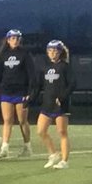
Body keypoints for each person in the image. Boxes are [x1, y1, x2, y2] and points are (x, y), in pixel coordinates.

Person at [0, 29, 35, 158]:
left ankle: (27, 146)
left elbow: (31, 74)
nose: (15, 40)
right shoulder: (3, 54)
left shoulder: (25, 54)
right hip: (6, 90)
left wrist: (29, 92)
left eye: (17, 38)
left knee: (22, 120)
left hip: (21, 91)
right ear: (8, 40)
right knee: (7, 120)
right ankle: (5, 147)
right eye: (13, 38)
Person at [35, 40, 75, 169]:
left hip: (60, 105)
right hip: (47, 104)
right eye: (50, 51)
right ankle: (53, 154)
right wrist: (30, 98)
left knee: (62, 132)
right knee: (41, 131)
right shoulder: (45, 67)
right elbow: (39, 85)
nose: (52, 53)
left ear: (60, 52)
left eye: (55, 51)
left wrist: (63, 97)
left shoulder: (65, 66)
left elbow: (72, 84)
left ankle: (64, 161)